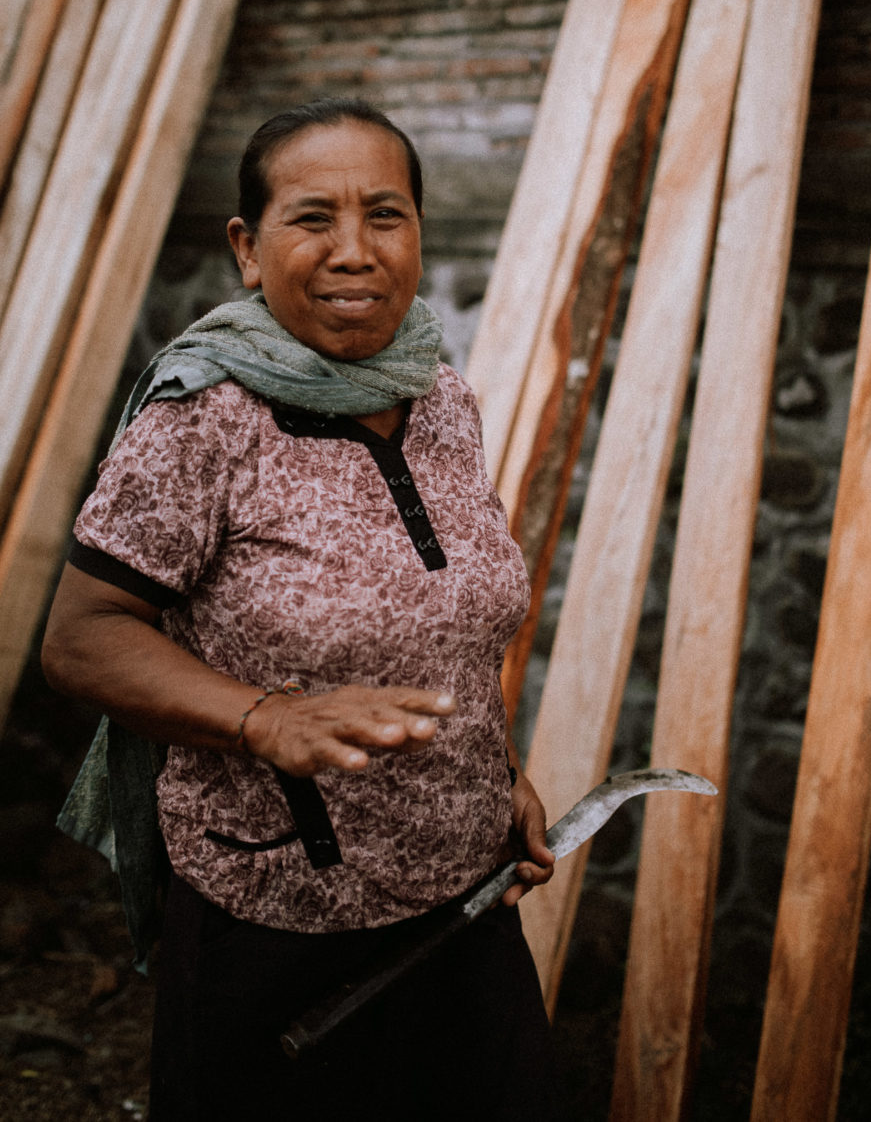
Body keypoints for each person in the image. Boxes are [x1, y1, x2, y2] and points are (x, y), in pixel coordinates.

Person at [42, 98, 558, 1121]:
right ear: (247, 246)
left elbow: (451, 614)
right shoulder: (201, 420)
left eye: (386, 214)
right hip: (278, 922)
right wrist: (264, 718)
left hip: (464, 902)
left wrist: (496, 774)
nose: (355, 251)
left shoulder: (443, 400)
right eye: (313, 218)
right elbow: (83, 637)